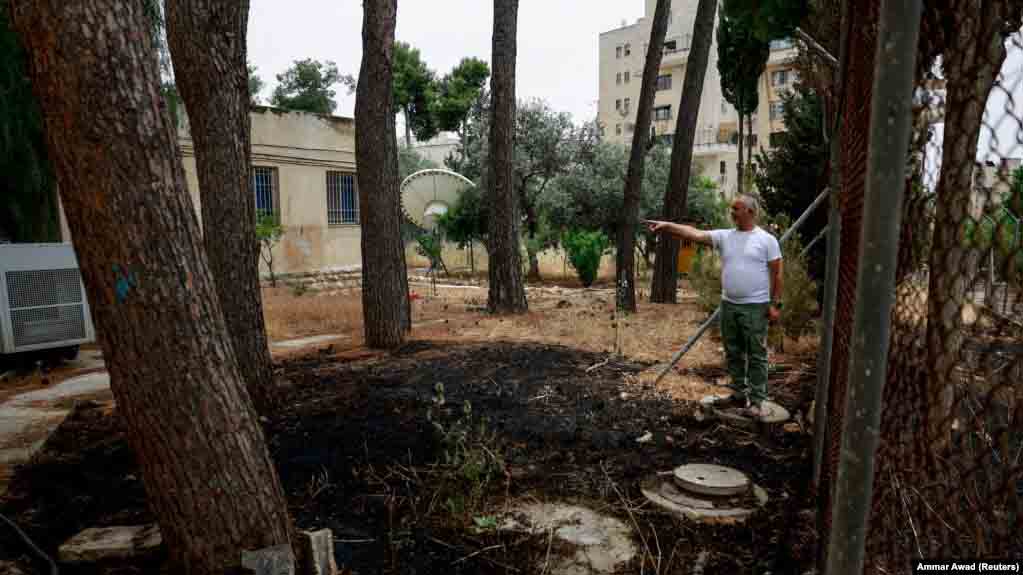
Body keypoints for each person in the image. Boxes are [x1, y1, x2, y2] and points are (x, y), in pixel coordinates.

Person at [645, 195, 784, 418]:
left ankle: (757, 401)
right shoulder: (725, 236)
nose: (732, 212)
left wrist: (776, 304)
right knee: (733, 352)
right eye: (732, 208)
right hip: (729, 305)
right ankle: (739, 394)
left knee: (756, 354)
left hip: (755, 308)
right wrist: (667, 226)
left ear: (750, 212)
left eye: (736, 209)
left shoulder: (767, 240)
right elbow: (694, 233)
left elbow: (777, 274)